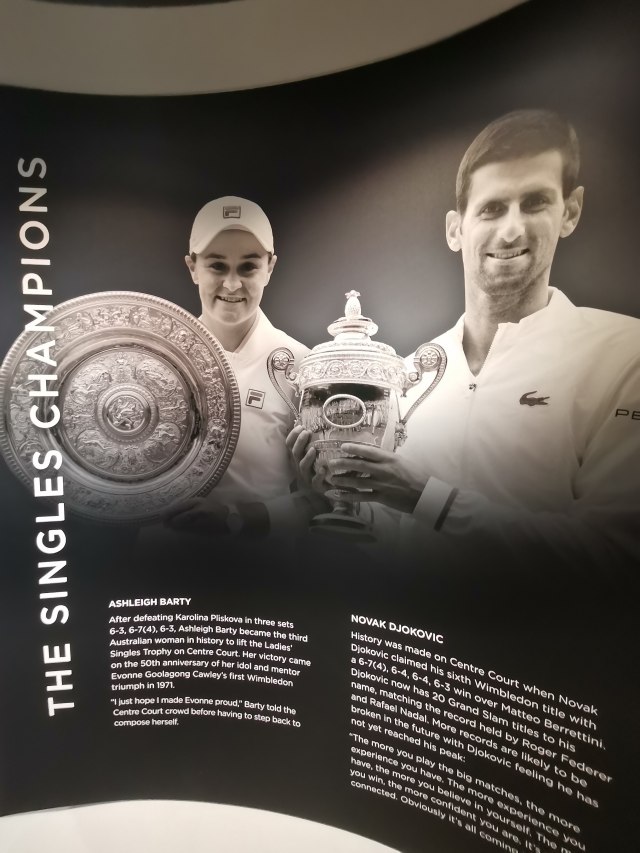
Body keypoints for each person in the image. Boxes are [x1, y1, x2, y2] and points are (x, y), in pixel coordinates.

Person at [289, 109, 640, 569]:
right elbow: (394, 537)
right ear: (456, 229)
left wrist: (426, 498)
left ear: (569, 212)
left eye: (535, 203)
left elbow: (616, 553)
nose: (511, 230)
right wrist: (334, 499)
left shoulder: (624, 354)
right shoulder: (411, 373)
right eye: (492, 208)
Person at [165, 196, 308, 537]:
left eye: (248, 267)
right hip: (160, 557)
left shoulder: (301, 366)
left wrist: (236, 519)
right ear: (192, 267)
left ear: (269, 267)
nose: (232, 284)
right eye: (217, 266)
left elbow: (323, 498)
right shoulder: (160, 358)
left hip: (258, 563)